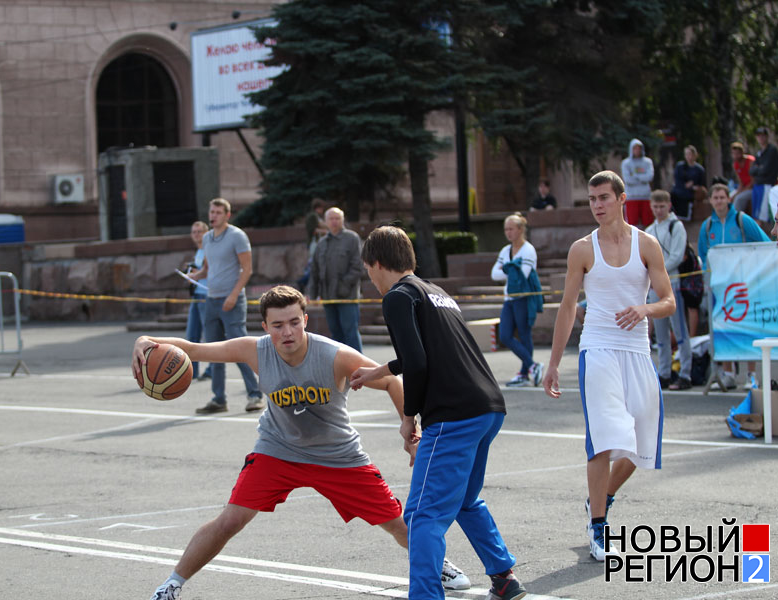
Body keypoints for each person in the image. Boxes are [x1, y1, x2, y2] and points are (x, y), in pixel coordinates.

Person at [134, 285, 471, 600]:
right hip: (278, 450)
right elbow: (191, 349)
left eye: (294, 322)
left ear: (305, 320)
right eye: (278, 325)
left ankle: (436, 563)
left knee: (395, 523)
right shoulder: (254, 351)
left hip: (338, 455)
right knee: (230, 520)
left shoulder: (333, 355)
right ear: (265, 326)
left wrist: (410, 430)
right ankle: (171, 586)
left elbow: (391, 382)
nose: (287, 332)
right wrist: (145, 340)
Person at [352, 226, 527, 600]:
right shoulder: (435, 292)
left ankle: (427, 595)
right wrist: (379, 372)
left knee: (422, 516)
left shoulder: (397, 297)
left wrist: (408, 417)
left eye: (369, 271)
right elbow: (426, 352)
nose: (371, 280)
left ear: (378, 263)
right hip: (487, 406)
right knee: (464, 499)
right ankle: (505, 577)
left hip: (453, 413)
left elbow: (418, 363)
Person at [542, 171, 675, 562]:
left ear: (621, 199)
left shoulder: (647, 244)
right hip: (597, 348)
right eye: (591, 199)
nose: (597, 205)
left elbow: (667, 300)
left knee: (641, 443)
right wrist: (552, 364)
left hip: (636, 349)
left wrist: (644, 308)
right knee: (603, 437)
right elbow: (567, 308)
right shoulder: (582, 249)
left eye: (603, 197)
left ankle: (601, 498)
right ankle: (598, 525)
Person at [189, 198, 264, 413]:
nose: (213, 215)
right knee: (213, 352)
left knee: (240, 350)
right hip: (211, 299)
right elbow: (207, 269)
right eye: (211, 211)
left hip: (232, 300)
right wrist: (194, 275)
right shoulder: (207, 238)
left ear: (227, 215)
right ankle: (219, 399)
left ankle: (255, 395)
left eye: (218, 212)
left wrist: (233, 295)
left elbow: (247, 269)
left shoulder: (237, 236)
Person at [697, 183, 770, 391]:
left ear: (729, 199)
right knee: (724, 328)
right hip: (721, 288)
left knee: (748, 327)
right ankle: (728, 373)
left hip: (745, 285)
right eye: (715, 198)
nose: (719, 201)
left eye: (722, 197)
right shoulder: (707, 226)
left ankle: (752, 375)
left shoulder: (742, 220)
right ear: (710, 200)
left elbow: (764, 244)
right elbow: (704, 255)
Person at [645, 191, 693, 390]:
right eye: (655, 207)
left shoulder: (676, 226)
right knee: (661, 334)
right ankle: (664, 372)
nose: (658, 210)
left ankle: (685, 373)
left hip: (672, 283)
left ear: (669, 205)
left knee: (680, 330)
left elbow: (676, 256)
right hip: (655, 286)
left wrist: (657, 271)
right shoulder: (649, 229)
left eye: (662, 207)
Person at [490, 213, 544, 387]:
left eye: (511, 229)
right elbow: (494, 274)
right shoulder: (505, 251)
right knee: (505, 335)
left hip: (524, 299)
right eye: (506, 229)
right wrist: (511, 268)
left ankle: (523, 373)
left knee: (524, 335)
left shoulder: (528, 250)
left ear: (520, 229)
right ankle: (533, 366)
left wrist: (507, 269)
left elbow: (522, 275)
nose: (508, 232)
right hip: (509, 299)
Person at [306, 207, 363, 352]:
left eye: (337, 218)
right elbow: (315, 271)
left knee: (350, 334)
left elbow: (357, 267)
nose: (334, 221)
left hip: (347, 297)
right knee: (336, 335)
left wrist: (344, 287)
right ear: (325, 221)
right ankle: (341, 369)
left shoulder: (352, 238)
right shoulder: (322, 243)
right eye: (331, 218)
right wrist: (312, 295)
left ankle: (359, 369)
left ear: (342, 220)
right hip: (328, 297)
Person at [185, 221, 211, 381]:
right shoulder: (199, 251)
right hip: (197, 294)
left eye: (199, 231)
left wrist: (195, 274)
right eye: (194, 232)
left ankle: (212, 369)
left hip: (207, 295)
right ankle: (190, 371)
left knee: (209, 337)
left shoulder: (209, 249)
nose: (196, 235)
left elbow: (210, 271)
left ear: (206, 233)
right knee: (191, 335)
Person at [621, 138, 655, 227]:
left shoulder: (647, 162)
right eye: (635, 148)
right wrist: (642, 178)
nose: (637, 150)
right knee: (632, 224)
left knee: (648, 223)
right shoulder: (626, 163)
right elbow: (628, 180)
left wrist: (635, 175)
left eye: (639, 148)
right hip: (632, 197)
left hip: (645, 196)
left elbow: (650, 177)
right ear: (631, 149)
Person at [749, 126, 778, 226]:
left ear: (767, 137)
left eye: (763, 136)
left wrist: (758, 169)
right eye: (758, 136)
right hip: (758, 186)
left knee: (765, 216)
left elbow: (765, 170)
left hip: (767, 185)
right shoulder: (759, 152)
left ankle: (767, 239)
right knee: (757, 215)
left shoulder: (772, 150)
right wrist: (758, 168)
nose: (761, 138)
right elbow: (751, 170)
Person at [670, 145, 706, 221]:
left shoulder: (699, 169)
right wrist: (685, 185)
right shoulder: (680, 166)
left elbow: (702, 183)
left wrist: (693, 186)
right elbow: (677, 180)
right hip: (679, 190)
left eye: (690, 154)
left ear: (695, 155)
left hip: (690, 193)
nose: (689, 157)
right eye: (687, 154)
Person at [730, 141, 756, 215]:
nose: (735, 156)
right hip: (745, 188)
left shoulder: (750, 161)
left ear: (742, 152)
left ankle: (735, 220)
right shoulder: (735, 164)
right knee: (729, 197)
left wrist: (740, 192)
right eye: (733, 153)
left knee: (739, 198)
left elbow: (753, 182)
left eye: (737, 153)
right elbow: (741, 182)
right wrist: (737, 192)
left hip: (754, 188)